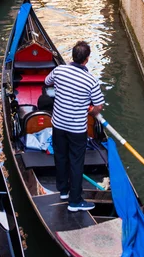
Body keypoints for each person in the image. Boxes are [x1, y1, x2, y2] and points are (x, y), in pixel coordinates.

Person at [44, 41, 104, 212]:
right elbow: (99, 106)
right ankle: (74, 201)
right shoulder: (90, 80)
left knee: (61, 157)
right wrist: (91, 110)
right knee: (76, 163)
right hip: (76, 129)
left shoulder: (59, 70)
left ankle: (63, 190)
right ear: (86, 60)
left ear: (73, 56)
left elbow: (47, 82)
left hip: (59, 125)